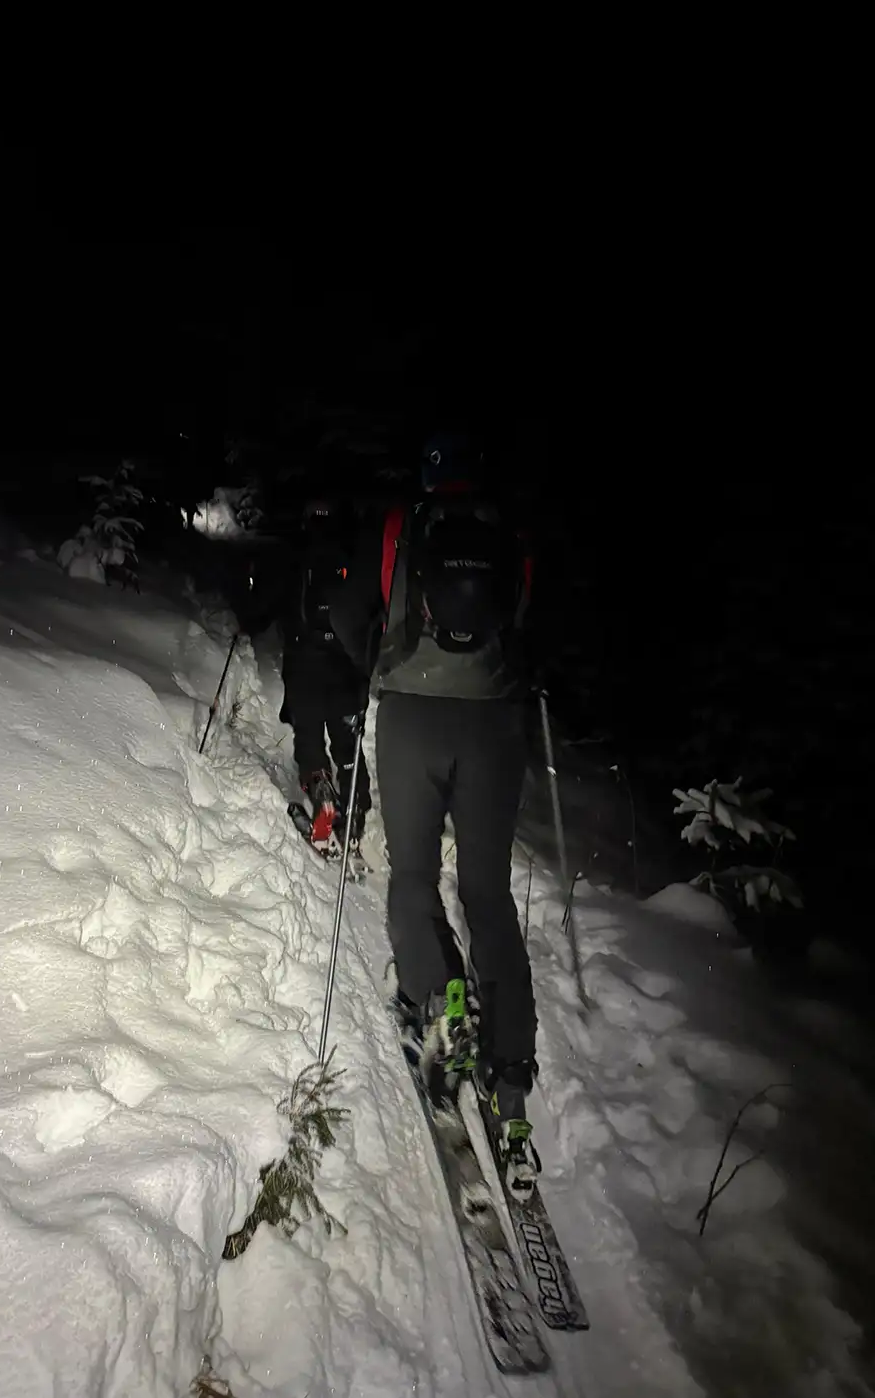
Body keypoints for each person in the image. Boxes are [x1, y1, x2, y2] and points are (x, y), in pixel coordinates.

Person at [330, 431, 539, 1194]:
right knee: (487, 893)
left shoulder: (399, 525)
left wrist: (377, 662)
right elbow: (533, 624)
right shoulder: (509, 528)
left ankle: (441, 999)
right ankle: (511, 1077)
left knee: (413, 873)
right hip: (494, 723)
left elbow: (346, 607)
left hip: (412, 713)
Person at [246, 495, 372, 850]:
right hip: (346, 666)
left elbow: (268, 603)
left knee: (309, 737)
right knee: (347, 742)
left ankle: (322, 795)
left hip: (304, 666)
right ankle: (354, 811)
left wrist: (249, 618)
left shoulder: (295, 557)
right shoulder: (353, 558)